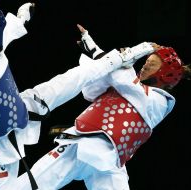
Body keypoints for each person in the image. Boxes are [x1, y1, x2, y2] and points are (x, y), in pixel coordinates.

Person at [0, 3, 157, 190]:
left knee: (73, 78)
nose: (3, 29)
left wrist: (23, 14)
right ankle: (119, 58)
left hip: (24, 106)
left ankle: (120, 57)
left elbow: (11, 27)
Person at [16, 24, 191, 190]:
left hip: (109, 160)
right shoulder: (127, 87)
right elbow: (94, 84)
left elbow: (119, 75)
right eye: (146, 61)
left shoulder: (160, 102)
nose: (145, 64)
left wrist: (101, 51)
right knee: (31, 185)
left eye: (151, 64)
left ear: (164, 75)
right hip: (82, 145)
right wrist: (99, 53)